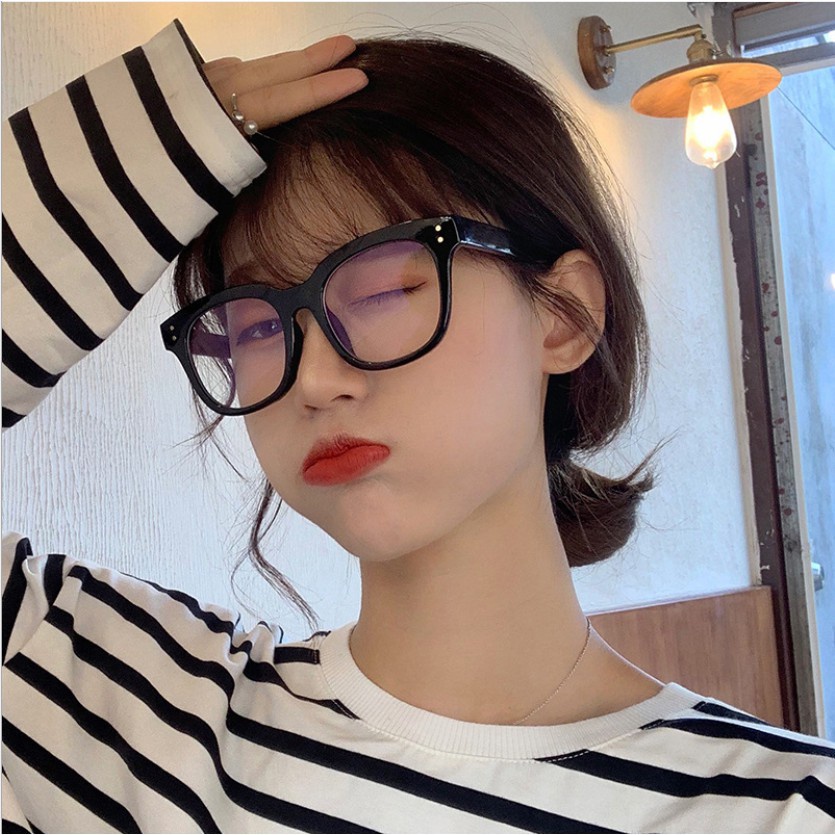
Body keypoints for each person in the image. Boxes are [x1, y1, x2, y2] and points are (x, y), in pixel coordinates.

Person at [2, 18, 833, 834]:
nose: (315, 379)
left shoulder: (786, 809)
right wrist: (154, 141)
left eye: (382, 288)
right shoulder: (126, 717)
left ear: (564, 314)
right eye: (255, 324)